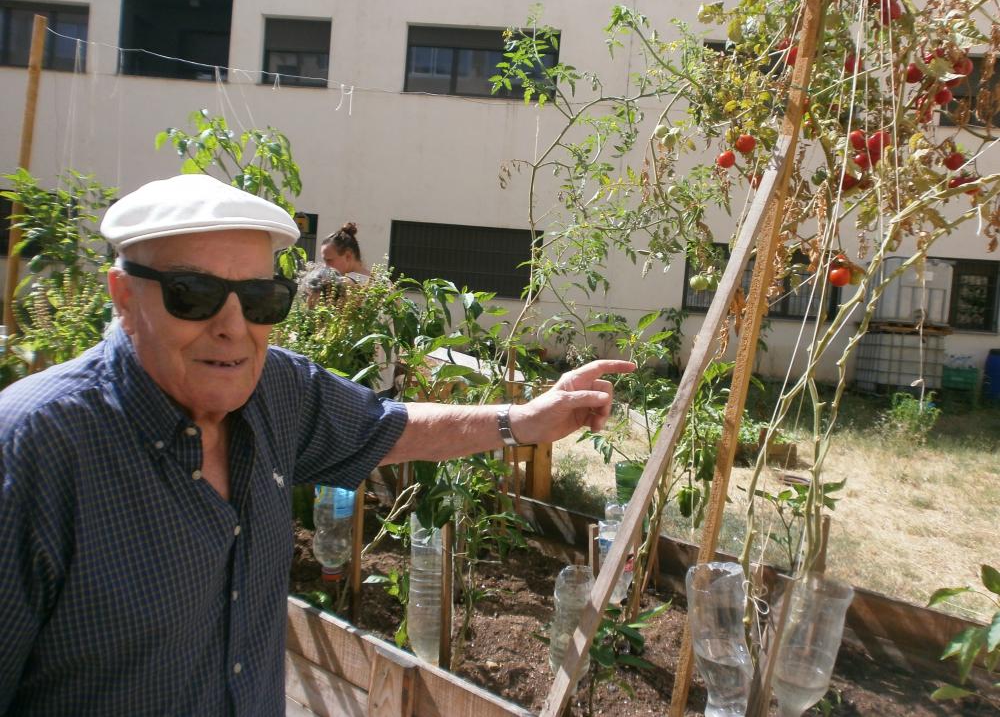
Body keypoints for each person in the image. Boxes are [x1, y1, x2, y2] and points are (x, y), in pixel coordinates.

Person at [0, 173, 634, 716]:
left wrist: (523, 421)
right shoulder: (34, 453)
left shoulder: (276, 392)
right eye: (192, 296)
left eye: (260, 300)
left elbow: (391, 425)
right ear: (123, 295)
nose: (232, 328)